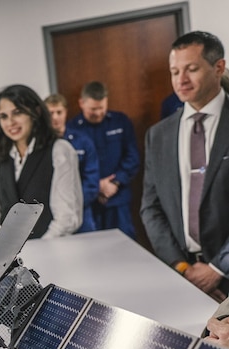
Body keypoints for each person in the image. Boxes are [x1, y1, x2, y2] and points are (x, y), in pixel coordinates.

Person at [141, 31, 229, 300]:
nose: (181, 79)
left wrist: (218, 268)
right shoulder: (158, 135)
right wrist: (182, 267)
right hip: (184, 275)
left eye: (191, 69)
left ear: (219, 67)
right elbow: (150, 207)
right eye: (175, 71)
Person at [0, 84, 82, 238]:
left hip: (51, 247)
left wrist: (40, 248)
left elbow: (67, 218)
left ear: (36, 112)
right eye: (4, 116)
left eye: (18, 113)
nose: (10, 122)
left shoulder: (59, 150)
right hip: (10, 255)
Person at [66, 81, 140, 238]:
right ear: (82, 103)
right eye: (93, 109)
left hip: (117, 197)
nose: (98, 113)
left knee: (125, 249)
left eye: (102, 108)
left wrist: (115, 182)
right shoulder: (72, 129)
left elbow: (132, 157)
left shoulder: (120, 121)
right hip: (88, 204)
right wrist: (96, 186)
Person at [44, 93, 101, 233]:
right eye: (51, 113)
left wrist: (74, 203)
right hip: (52, 213)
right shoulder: (41, 146)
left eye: (59, 112)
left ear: (66, 112)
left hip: (82, 210)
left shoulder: (83, 140)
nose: (55, 117)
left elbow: (92, 179)